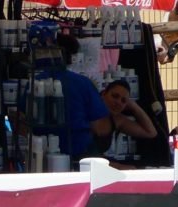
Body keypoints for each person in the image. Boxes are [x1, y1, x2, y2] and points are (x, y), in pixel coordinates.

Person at [20, 33, 112, 165]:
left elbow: (22, 118)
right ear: (71, 57)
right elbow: (101, 128)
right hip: (80, 153)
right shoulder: (83, 83)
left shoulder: (35, 82)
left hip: (42, 152)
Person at [99, 79, 157, 164]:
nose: (118, 102)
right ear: (104, 94)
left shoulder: (117, 119)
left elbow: (151, 133)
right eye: (115, 96)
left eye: (123, 100)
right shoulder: (88, 112)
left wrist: (134, 106)